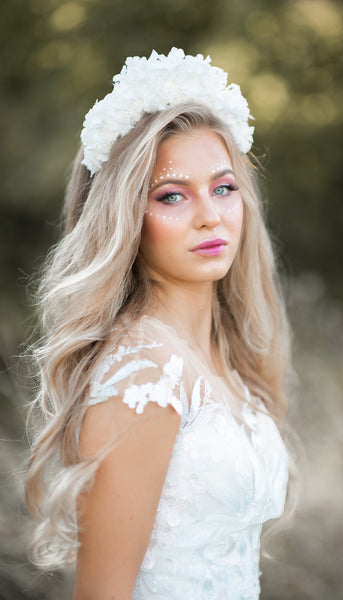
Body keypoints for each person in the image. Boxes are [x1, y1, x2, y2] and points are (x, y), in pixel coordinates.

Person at [25, 48, 293, 599]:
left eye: (223, 187)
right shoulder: (145, 375)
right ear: (126, 216)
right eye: (172, 196)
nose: (210, 215)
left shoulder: (225, 357)